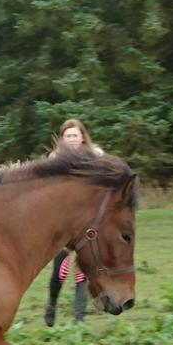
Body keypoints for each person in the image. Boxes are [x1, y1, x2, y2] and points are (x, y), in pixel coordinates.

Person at [44, 119, 103, 326]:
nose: (72, 139)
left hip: (86, 221)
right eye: (68, 136)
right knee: (60, 270)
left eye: (75, 135)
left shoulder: (95, 156)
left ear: (82, 137)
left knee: (83, 270)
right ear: (62, 139)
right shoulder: (55, 160)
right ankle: (51, 306)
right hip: (61, 222)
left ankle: (79, 320)